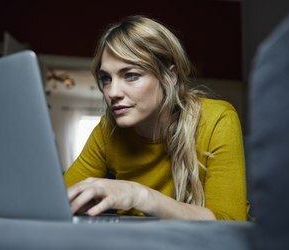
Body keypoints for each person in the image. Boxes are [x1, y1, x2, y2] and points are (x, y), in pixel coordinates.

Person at [64, 15, 247, 221]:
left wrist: (139, 195)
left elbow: (230, 223)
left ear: (170, 76)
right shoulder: (108, 130)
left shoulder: (217, 120)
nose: (112, 92)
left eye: (131, 75)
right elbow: (59, 201)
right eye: (106, 79)